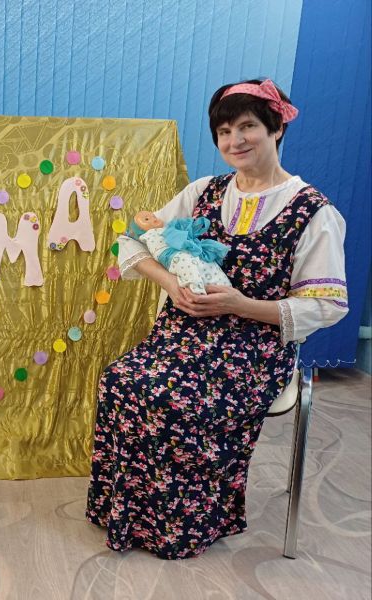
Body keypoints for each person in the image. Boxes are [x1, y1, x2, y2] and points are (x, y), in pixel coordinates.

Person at [87, 79, 348, 559]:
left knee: (176, 399)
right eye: (224, 132)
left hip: (254, 347)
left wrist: (238, 304)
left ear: (276, 128)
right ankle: (130, 514)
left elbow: (326, 305)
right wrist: (171, 284)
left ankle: (186, 522)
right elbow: (132, 242)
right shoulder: (203, 191)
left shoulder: (312, 212)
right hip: (181, 334)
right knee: (121, 381)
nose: (235, 140)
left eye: (247, 126)